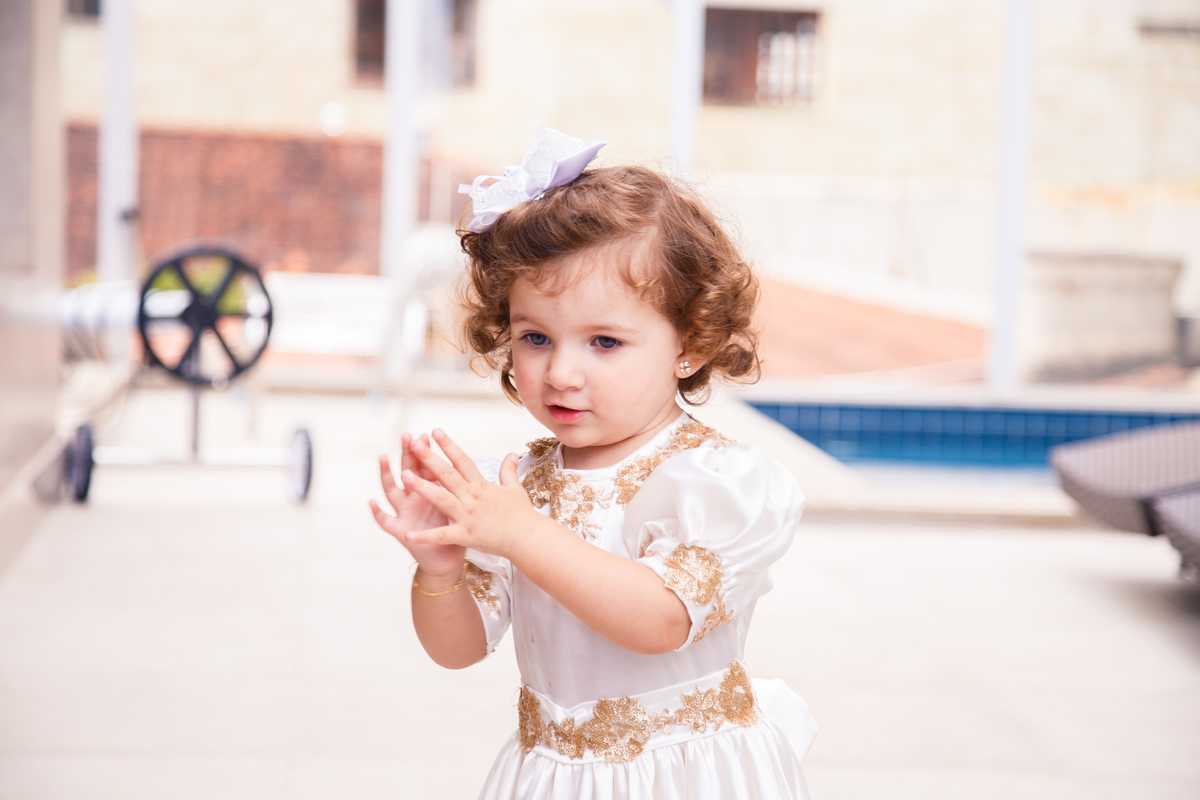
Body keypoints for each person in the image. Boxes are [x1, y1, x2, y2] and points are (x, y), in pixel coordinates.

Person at [369, 127, 817, 799]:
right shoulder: (519, 487)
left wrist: (520, 533)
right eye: (536, 338)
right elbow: (457, 649)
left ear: (689, 344)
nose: (562, 372)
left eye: (605, 341)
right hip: (556, 775)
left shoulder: (711, 483)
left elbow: (660, 622)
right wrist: (439, 572)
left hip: (684, 775)